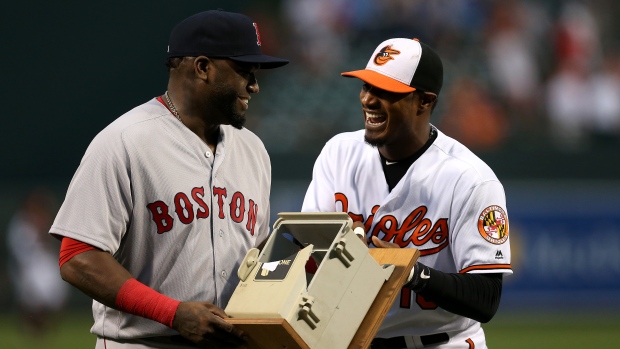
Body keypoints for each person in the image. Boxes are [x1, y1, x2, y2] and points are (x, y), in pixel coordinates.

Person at [49, 10, 288, 349]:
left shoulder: (253, 150)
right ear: (202, 67)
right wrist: (172, 313)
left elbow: (255, 256)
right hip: (144, 342)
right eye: (244, 71)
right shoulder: (125, 141)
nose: (254, 85)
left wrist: (297, 255)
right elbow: (77, 257)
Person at [302, 38, 512, 348]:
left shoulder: (470, 178)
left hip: (442, 342)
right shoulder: (338, 153)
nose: (368, 100)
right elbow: (305, 251)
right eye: (366, 86)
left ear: (424, 102)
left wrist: (412, 272)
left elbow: (486, 298)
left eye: (385, 91)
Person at [7, 187, 69, 335]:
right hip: (29, 268)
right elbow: (20, 250)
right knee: (33, 302)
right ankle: (30, 328)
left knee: (54, 298)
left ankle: (43, 328)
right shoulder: (20, 224)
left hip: (46, 267)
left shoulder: (48, 222)